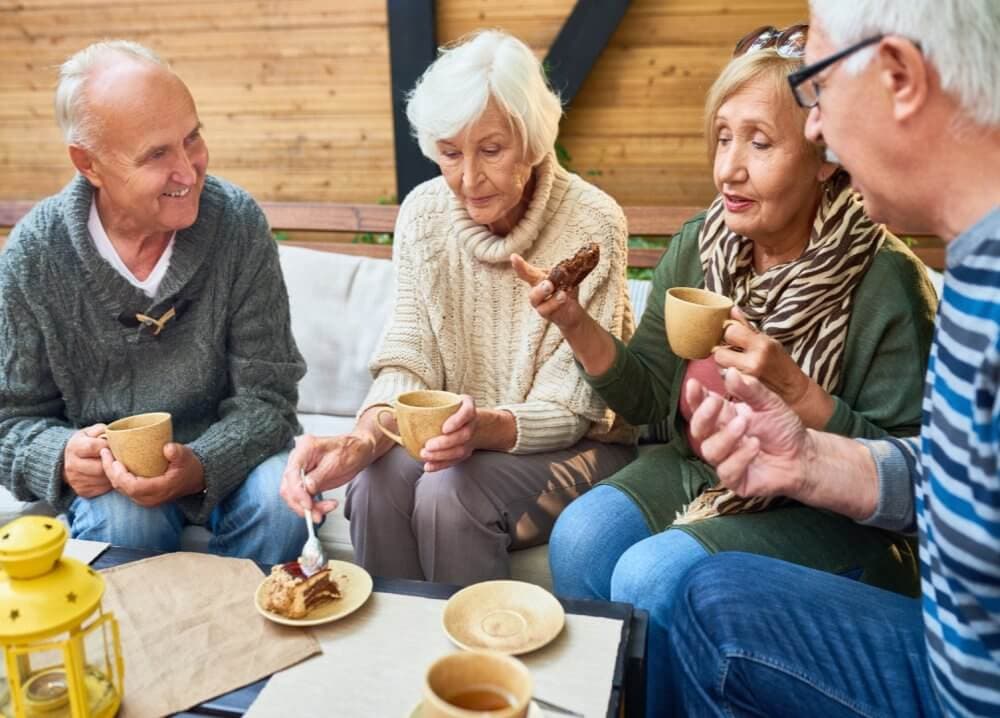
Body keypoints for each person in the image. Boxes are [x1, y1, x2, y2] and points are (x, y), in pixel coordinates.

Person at [518, 23, 939, 718]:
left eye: (759, 142)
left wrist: (796, 391)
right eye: (722, 137)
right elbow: (651, 396)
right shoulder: (701, 245)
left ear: (825, 156)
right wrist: (573, 320)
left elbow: (909, 483)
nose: (729, 169)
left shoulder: (886, 282)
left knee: (655, 574)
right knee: (582, 536)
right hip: (701, 470)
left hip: (831, 513)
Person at [669, 1, 1000, 716]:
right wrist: (810, 461)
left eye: (816, 88)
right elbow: (961, 481)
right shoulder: (976, 268)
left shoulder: (911, 281)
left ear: (898, 76)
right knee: (711, 601)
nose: (815, 126)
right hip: (943, 656)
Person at [279, 30, 635, 585]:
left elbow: (575, 405)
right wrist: (363, 439)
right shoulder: (423, 214)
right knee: (373, 482)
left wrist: (484, 428)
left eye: (491, 150)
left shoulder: (592, 220)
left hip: (577, 444)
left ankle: (472, 668)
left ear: (532, 138)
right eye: (449, 153)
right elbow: (408, 357)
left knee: (450, 490)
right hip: (459, 440)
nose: (469, 179)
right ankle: (399, 656)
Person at [0, 41, 307, 564]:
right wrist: (60, 457)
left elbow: (269, 400)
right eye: (156, 154)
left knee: (279, 505)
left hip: (232, 454)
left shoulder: (237, 224)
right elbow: (11, 420)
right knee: (124, 517)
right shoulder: (35, 253)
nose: (189, 171)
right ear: (88, 163)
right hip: (117, 485)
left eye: (192, 138)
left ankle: (255, 640)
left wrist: (202, 463)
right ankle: (146, 645)